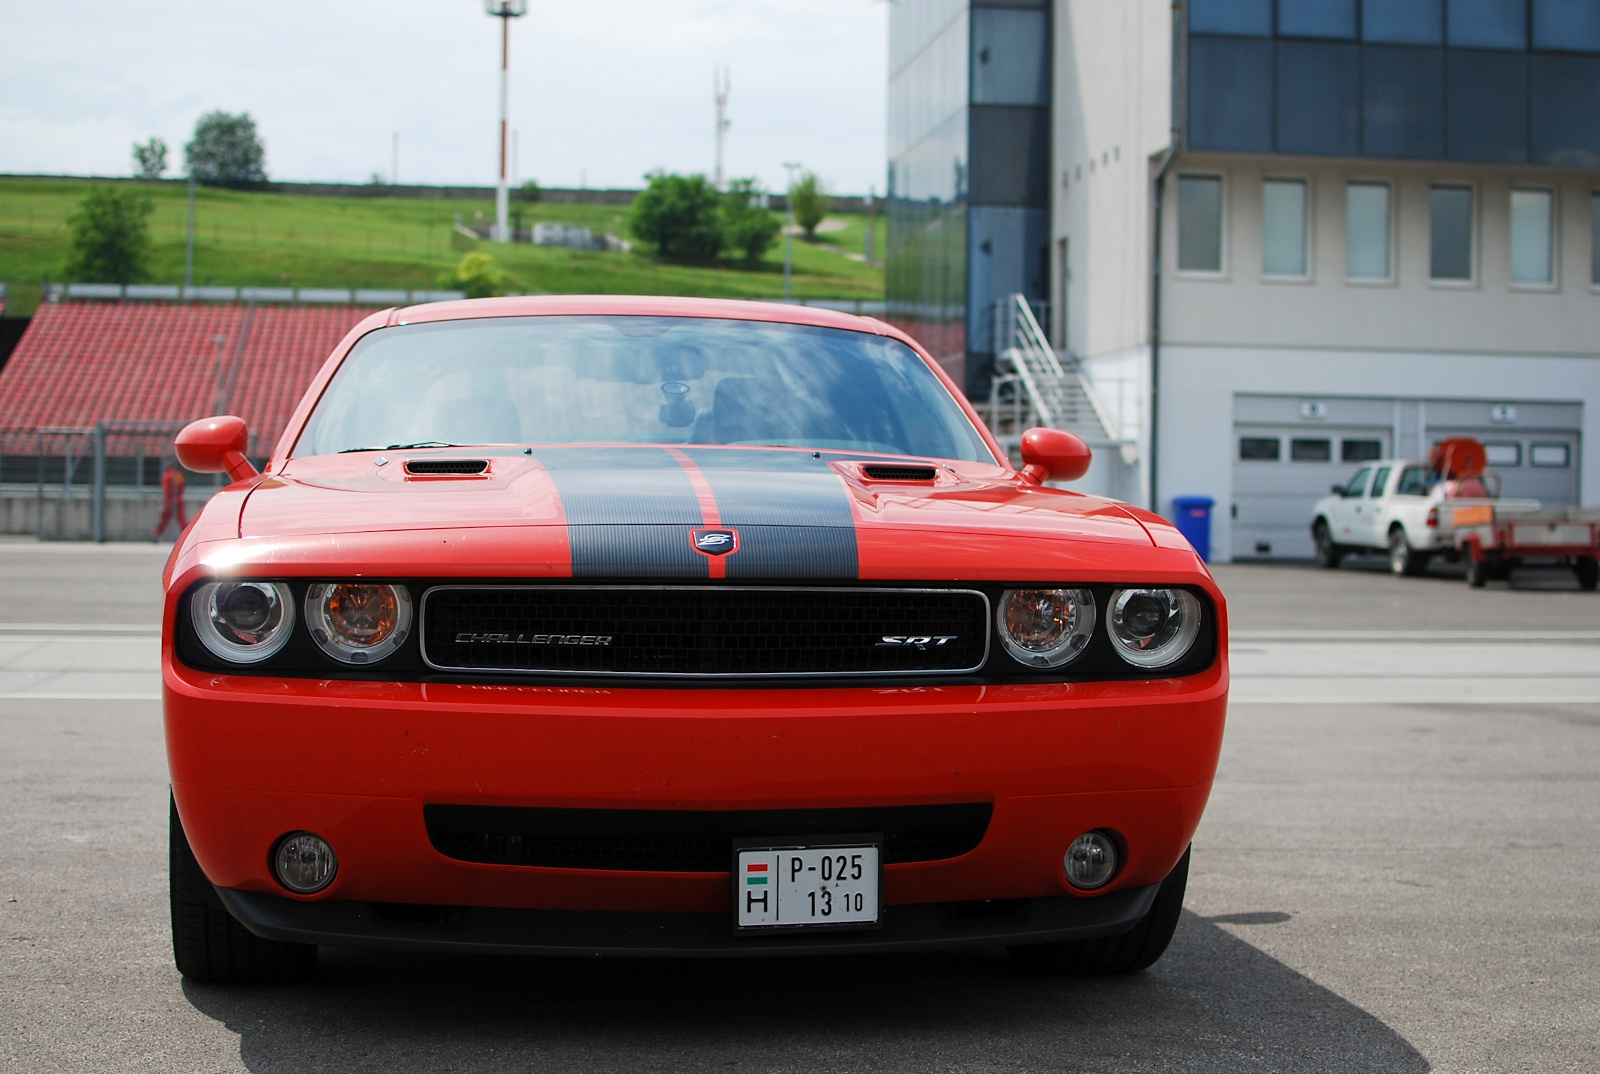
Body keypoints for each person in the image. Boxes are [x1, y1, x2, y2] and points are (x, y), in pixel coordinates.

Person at [154, 465, 188, 540]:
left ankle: (157, 534)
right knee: (182, 520)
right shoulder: (179, 475)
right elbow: (182, 488)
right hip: (178, 500)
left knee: (164, 520)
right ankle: (187, 536)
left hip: (170, 501)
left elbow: (167, 491)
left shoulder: (167, 476)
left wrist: (166, 502)